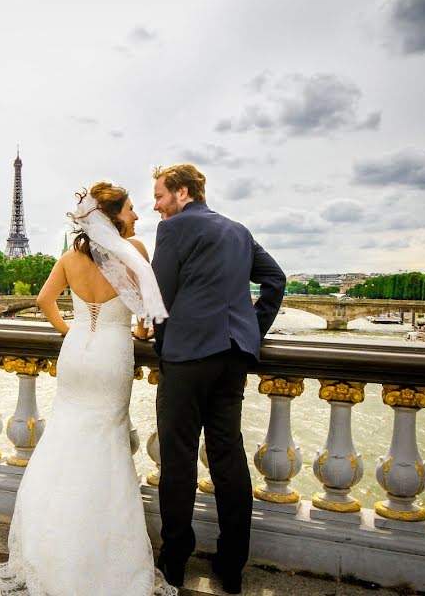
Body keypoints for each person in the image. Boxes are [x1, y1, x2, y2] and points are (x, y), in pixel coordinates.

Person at [0, 182, 176, 596]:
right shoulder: (132, 251)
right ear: (113, 216)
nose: (137, 216)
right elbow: (144, 313)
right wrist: (135, 329)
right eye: (131, 209)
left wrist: (74, 329)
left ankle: (49, 548)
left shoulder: (69, 257)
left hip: (76, 353)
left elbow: (45, 300)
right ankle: (98, 556)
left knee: (65, 442)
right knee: (107, 445)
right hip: (111, 356)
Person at [149, 164, 285, 595]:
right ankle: (232, 565)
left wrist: (163, 345)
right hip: (233, 358)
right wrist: (250, 330)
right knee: (228, 459)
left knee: (178, 459)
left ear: (182, 193)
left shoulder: (172, 230)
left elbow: (159, 298)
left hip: (188, 357)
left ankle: (174, 560)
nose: (155, 205)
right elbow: (275, 281)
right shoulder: (238, 231)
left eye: (159, 195)